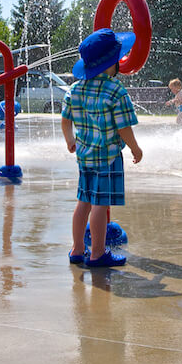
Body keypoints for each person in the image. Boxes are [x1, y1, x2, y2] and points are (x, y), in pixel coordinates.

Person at [61, 28, 143, 268]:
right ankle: (97, 253)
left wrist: (69, 140)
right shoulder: (115, 90)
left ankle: (77, 249)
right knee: (100, 204)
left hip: (84, 156)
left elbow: (65, 120)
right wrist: (135, 148)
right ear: (112, 63)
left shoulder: (75, 89)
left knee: (83, 202)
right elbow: (123, 127)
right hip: (107, 156)